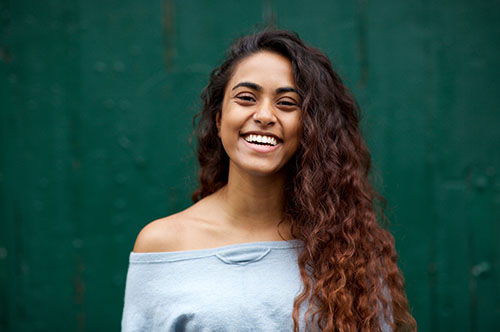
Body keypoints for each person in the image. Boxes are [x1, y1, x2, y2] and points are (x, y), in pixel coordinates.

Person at [121, 28, 417, 332]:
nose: (264, 115)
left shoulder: (348, 248)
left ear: (310, 128)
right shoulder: (163, 245)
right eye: (246, 98)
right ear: (219, 120)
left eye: (287, 103)